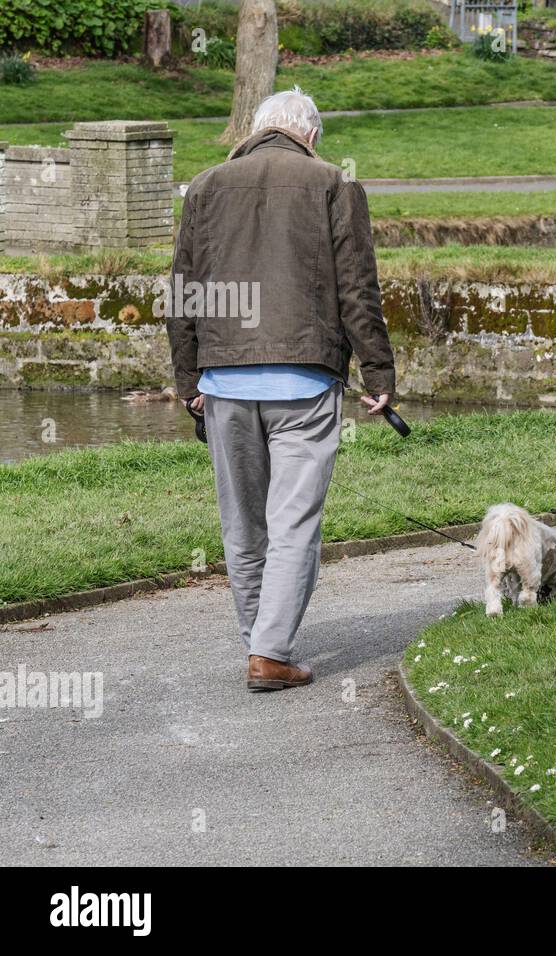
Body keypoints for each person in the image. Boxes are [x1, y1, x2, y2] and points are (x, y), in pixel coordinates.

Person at [165, 87, 395, 692]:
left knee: (243, 527)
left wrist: (188, 380)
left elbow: (182, 294)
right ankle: (269, 653)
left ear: (256, 128)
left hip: (223, 382)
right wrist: (379, 373)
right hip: (303, 377)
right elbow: (357, 291)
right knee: (293, 524)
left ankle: (261, 646)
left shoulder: (206, 186)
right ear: (310, 136)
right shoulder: (333, 184)